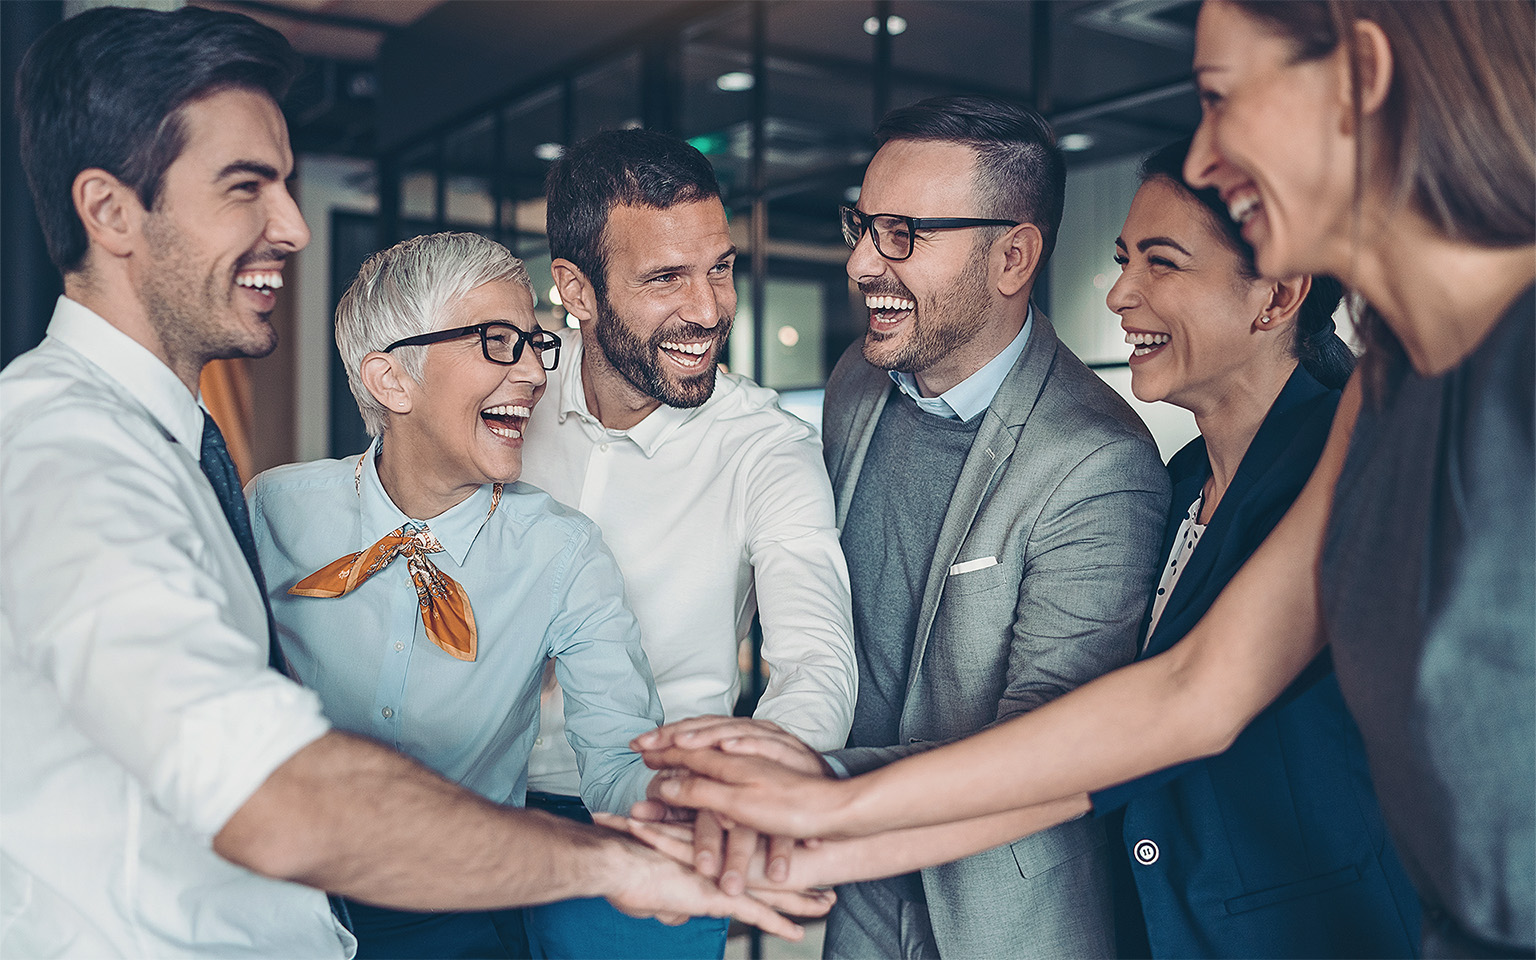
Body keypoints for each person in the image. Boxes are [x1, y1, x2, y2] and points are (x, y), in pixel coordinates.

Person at [629, 2, 1535, 956]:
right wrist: (815, 810)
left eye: (1221, 101)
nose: (1208, 156)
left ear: (1364, 76)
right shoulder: (1384, 384)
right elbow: (1191, 691)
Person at [0, 8, 819, 956]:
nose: (295, 226)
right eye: (244, 188)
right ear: (109, 212)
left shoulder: (167, 447)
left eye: (287, 186)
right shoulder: (74, 454)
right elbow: (265, 794)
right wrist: (613, 866)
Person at [650, 96, 1170, 959]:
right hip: (853, 900)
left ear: (1012, 256)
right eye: (862, 224)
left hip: (998, 921)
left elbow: (1050, 741)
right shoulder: (858, 379)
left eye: (902, 235)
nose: (860, 263)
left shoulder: (1098, 463)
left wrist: (815, 782)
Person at [249, 232, 669, 958]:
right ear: (391, 380)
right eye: (498, 341)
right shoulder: (272, 510)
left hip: (462, 916)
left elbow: (616, 765)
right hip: (274, 906)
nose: (537, 372)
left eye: (537, 343)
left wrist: (691, 803)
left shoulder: (563, 551)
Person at [514, 127, 857, 959]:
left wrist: (750, 794)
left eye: (719, 267)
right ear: (576, 290)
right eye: (665, 277)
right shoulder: (506, 391)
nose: (707, 310)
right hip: (467, 813)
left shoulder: (767, 447)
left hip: (653, 838)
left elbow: (818, 663)